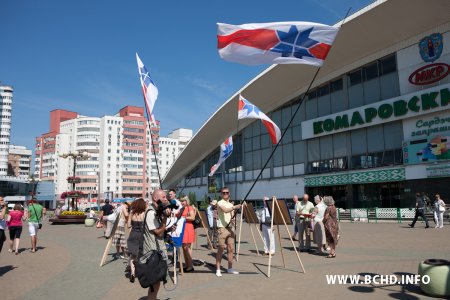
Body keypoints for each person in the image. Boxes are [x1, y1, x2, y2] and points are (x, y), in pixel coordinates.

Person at [142, 189, 169, 300]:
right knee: (155, 283)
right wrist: (165, 219)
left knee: (157, 282)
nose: (166, 199)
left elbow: (160, 230)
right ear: (155, 198)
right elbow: (158, 232)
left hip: (157, 251)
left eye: (166, 197)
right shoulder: (150, 213)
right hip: (153, 253)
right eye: (163, 197)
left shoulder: (156, 211)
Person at [215, 187, 241, 277]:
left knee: (230, 249)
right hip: (222, 228)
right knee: (221, 249)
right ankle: (218, 269)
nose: (225, 194)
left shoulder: (230, 204)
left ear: (229, 193)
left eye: (227, 192)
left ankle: (230, 268)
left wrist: (233, 221)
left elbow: (231, 215)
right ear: (221, 194)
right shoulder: (220, 203)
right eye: (223, 192)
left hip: (230, 228)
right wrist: (235, 206)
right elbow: (225, 210)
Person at [127, 198, 147, 283]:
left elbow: (128, 225)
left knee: (132, 256)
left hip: (133, 234)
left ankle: (132, 273)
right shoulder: (144, 213)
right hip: (141, 235)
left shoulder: (132, 213)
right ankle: (141, 272)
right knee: (141, 255)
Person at [180, 196, 196, 272]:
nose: (182, 202)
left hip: (188, 228)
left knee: (187, 248)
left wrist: (182, 217)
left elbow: (192, 218)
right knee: (184, 248)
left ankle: (190, 266)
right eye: (181, 201)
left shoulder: (190, 207)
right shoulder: (182, 208)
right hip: (183, 229)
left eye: (184, 201)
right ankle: (187, 264)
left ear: (187, 201)